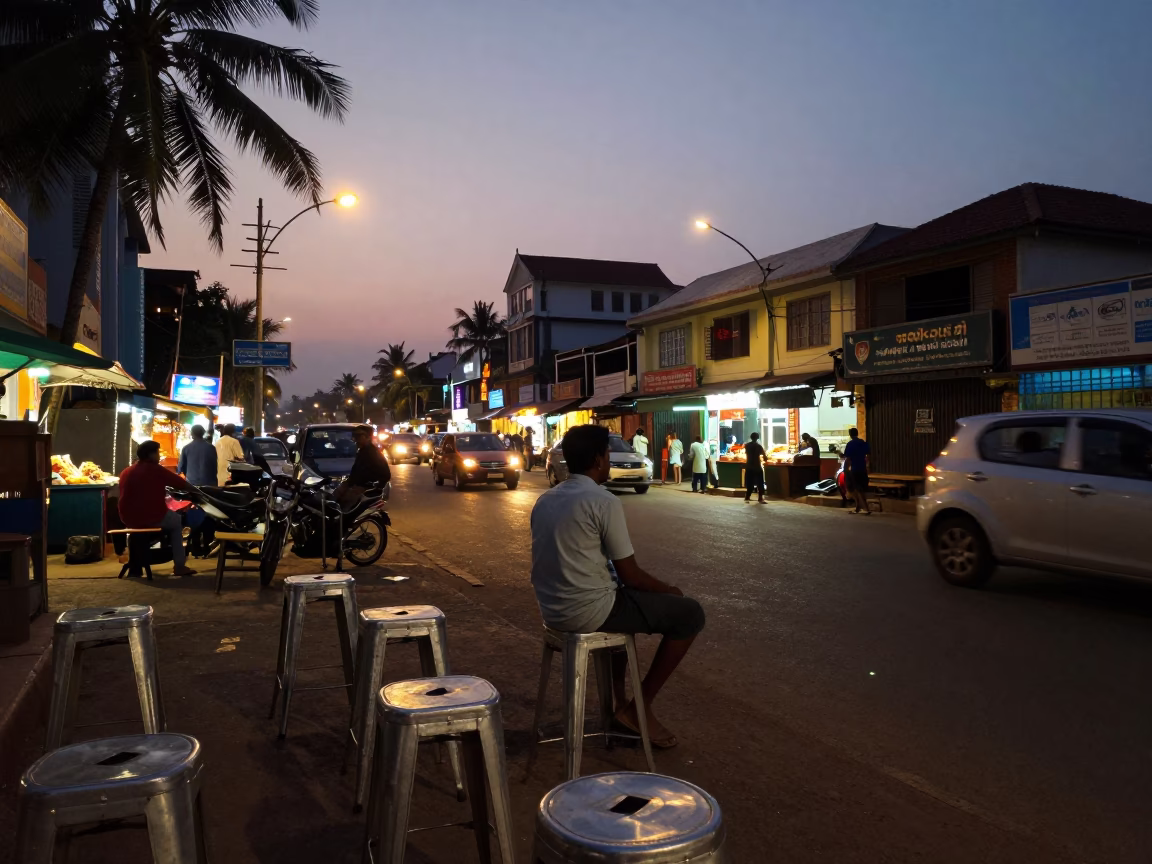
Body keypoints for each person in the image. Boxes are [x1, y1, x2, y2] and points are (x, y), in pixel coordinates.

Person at [530, 425, 705, 748]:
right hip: (588, 611)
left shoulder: (546, 500)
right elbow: (631, 575)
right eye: (608, 455)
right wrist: (671, 590)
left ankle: (617, 704)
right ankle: (638, 708)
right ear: (598, 459)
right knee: (690, 614)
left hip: (553, 610)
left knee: (628, 608)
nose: (610, 461)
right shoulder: (602, 500)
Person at [118, 440, 196, 576]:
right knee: (177, 521)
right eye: (157, 452)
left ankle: (137, 565)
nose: (159, 456)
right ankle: (179, 565)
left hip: (128, 518)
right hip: (151, 516)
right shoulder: (156, 469)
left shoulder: (126, 471)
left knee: (167, 519)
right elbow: (181, 484)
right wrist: (197, 491)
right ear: (151, 454)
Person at [335, 424, 392, 506]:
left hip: (365, 488)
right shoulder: (362, 451)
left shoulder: (372, 453)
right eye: (355, 437)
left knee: (345, 502)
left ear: (368, 437)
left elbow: (385, 475)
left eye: (359, 437)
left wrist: (369, 485)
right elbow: (356, 471)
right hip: (356, 485)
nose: (356, 440)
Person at [843, 427, 871, 514]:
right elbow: (868, 455)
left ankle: (866, 508)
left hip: (854, 468)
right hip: (862, 468)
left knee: (856, 488)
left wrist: (846, 468)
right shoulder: (863, 443)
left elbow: (847, 458)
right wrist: (867, 465)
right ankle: (858, 507)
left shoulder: (850, 444)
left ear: (850, 435)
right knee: (860, 488)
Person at [744, 432, 767, 503]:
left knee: (749, 482)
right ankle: (760, 498)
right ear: (757, 438)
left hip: (749, 466)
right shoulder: (759, 446)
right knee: (760, 483)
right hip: (757, 466)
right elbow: (765, 457)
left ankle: (747, 497)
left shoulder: (747, 446)